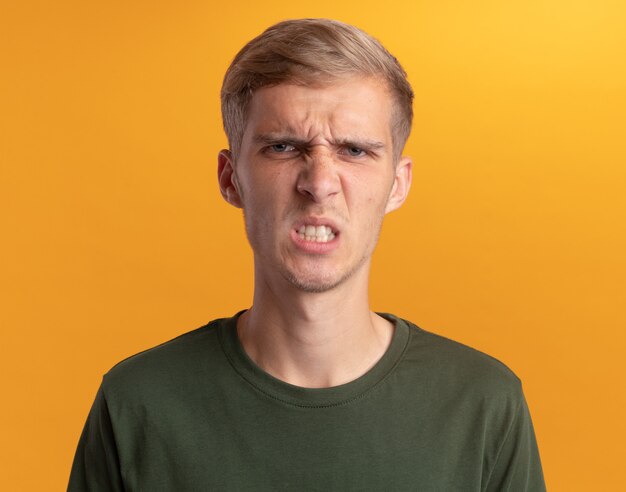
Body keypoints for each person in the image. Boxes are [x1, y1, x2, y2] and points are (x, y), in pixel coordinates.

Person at [68, 18, 545, 491]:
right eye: (283, 147)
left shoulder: (483, 404)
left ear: (397, 185)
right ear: (230, 178)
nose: (319, 183)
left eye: (354, 151)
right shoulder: (136, 405)